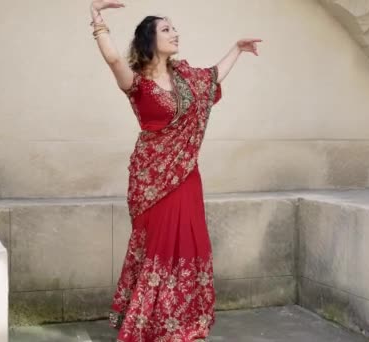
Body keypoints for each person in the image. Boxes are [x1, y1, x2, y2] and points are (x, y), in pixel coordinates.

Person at [89, 1, 261, 341]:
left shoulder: (187, 78)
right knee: (158, 245)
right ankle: (149, 321)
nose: (175, 33)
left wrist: (237, 50)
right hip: (152, 180)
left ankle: (181, 321)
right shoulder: (137, 83)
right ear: (149, 40)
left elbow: (213, 78)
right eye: (166, 29)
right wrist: (98, 23)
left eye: (174, 27)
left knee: (188, 242)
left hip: (185, 176)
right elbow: (112, 59)